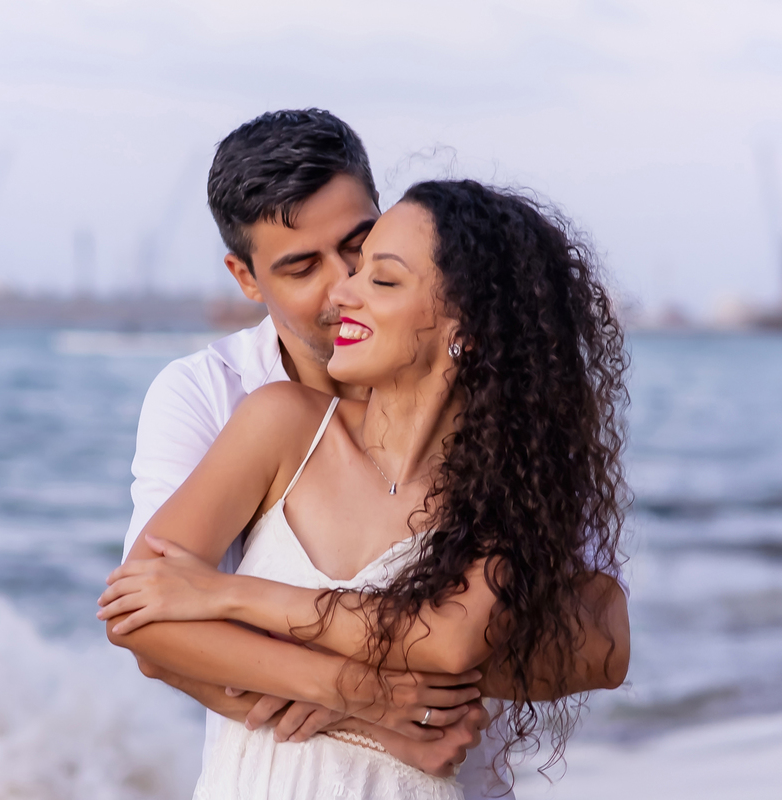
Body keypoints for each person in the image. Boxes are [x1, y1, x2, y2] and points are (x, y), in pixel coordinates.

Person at [102, 111, 629, 797]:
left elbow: (594, 645)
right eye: (302, 266)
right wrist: (368, 699)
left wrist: (238, 605)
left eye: (364, 252)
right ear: (247, 278)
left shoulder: (502, 453)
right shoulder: (224, 399)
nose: (342, 286)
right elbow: (146, 618)